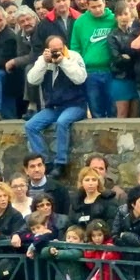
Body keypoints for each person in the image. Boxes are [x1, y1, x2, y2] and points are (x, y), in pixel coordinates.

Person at [25, 36, 88, 178]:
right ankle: (45, 162)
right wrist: (43, 62)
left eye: (60, 49)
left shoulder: (73, 57)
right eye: (54, 50)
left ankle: (61, 163)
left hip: (75, 105)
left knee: (62, 122)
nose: (57, 52)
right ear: (47, 49)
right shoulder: (44, 60)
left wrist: (63, 62)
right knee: (31, 125)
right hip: (53, 107)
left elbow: (80, 78)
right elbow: (32, 80)